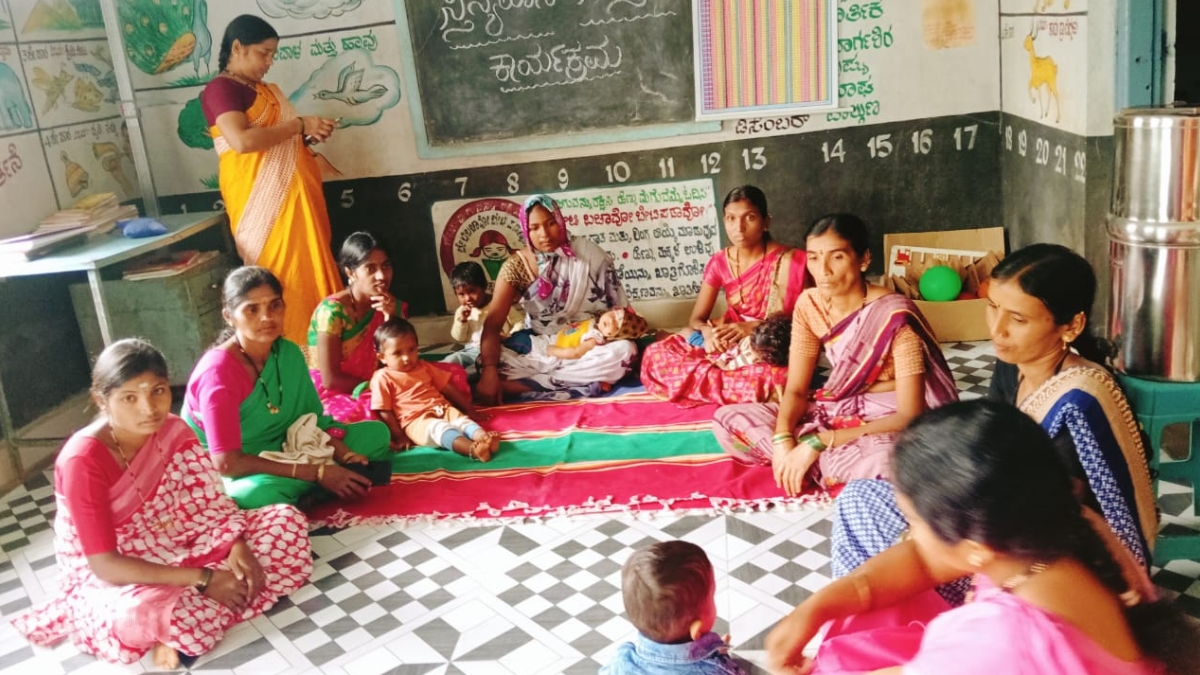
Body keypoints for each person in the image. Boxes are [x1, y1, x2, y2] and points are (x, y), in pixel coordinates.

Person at [829, 244, 1159, 607]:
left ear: (1072, 326)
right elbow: (984, 450)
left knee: (904, 543)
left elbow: (1040, 523)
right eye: (992, 308)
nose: (997, 330)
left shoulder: (1079, 404)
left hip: (1053, 564)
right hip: (1005, 520)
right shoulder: (1012, 365)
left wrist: (938, 539)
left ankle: (934, 626)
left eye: (1018, 319)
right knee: (861, 500)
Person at [766, 400, 1193, 675]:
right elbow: (922, 559)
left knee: (843, 654)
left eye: (914, 520)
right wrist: (817, 606)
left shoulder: (1004, 637)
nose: (910, 534)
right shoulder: (1059, 527)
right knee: (865, 612)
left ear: (975, 548)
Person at [11, 339, 311, 669]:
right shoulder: (83, 460)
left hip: (188, 542)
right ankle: (201, 610)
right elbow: (105, 566)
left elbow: (211, 505)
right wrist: (205, 579)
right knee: (141, 612)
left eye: (158, 391)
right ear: (101, 400)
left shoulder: (174, 430)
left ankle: (201, 615)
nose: (149, 408)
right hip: (123, 573)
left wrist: (236, 547)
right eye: (129, 397)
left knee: (286, 521)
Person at [712, 214, 959, 496]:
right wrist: (782, 439)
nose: (823, 271)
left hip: (886, 419)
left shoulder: (895, 318)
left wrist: (820, 442)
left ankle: (815, 463)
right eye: (814, 258)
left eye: (837, 257)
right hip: (834, 407)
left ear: (863, 259)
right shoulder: (810, 304)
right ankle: (818, 465)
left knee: (885, 463)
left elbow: (910, 415)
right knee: (726, 420)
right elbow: (795, 388)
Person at [183, 266, 393, 509]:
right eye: (252, 309)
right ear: (229, 316)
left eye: (274, 305)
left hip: (293, 445)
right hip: (245, 467)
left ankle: (307, 491)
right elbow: (226, 463)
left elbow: (313, 421)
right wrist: (317, 473)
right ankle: (316, 486)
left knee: (377, 434)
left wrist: (345, 454)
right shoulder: (218, 373)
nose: (267, 317)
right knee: (255, 494)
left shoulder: (288, 353)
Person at [201, 14, 341, 344]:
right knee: (283, 282)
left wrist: (306, 137)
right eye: (264, 53)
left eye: (273, 54)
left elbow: (274, 142)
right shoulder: (221, 89)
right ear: (237, 48)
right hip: (264, 212)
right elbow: (243, 142)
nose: (269, 62)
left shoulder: (264, 91)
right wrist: (298, 126)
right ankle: (294, 356)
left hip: (298, 206)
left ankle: (328, 357)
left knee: (311, 277)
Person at [641, 186, 810, 406]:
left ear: (766, 221)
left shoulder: (796, 261)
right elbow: (696, 320)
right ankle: (728, 384)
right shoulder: (719, 262)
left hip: (773, 344)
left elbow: (808, 320)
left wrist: (753, 327)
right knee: (655, 354)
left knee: (778, 376)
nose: (738, 228)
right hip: (726, 341)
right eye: (731, 218)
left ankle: (707, 383)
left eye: (749, 217)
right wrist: (709, 335)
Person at [474, 194, 636, 403]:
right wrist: (488, 371)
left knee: (625, 351)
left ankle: (526, 386)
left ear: (560, 220)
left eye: (551, 223)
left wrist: (603, 334)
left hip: (587, 341)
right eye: (535, 228)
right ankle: (580, 383)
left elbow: (619, 310)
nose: (545, 234)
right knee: (486, 362)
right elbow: (493, 323)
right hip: (542, 346)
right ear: (525, 230)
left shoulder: (589, 253)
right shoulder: (516, 266)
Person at [601, 540, 747, 675]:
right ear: (696, 629)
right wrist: (721, 657)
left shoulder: (621, 660)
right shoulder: (717, 670)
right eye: (712, 596)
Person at [370, 317, 500, 461]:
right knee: (441, 428)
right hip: (417, 421)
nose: (406, 357)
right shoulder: (383, 377)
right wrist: (399, 436)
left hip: (443, 409)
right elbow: (384, 410)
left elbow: (448, 388)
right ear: (382, 357)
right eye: (398, 353)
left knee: (463, 421)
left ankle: (484, 438)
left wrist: (470, 410)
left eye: (411, 349)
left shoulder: (424, 367)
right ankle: (472, 450)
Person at [305, 232, 400, 423]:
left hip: (377, 382)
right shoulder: (332, 312)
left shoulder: (388, 305)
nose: (381, 276)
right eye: (370, 269)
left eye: (386, 266)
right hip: (334, 392)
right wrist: (378, 387)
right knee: (364, 413)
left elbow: (400, 357)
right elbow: (330, 380)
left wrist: (391, 319)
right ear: (350, 272)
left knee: (446, 379)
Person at [444, 261, 523, 369]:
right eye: (461, 294)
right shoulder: (462, 312)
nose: (467, 298)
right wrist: (462, 321)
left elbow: (520, 321)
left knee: (479, 368)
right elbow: (459, 338)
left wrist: (508, 336)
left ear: (483, 286)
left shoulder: (499, 304)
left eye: (472, 291)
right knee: (451, 360)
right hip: (473, 350)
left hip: (499, 349)